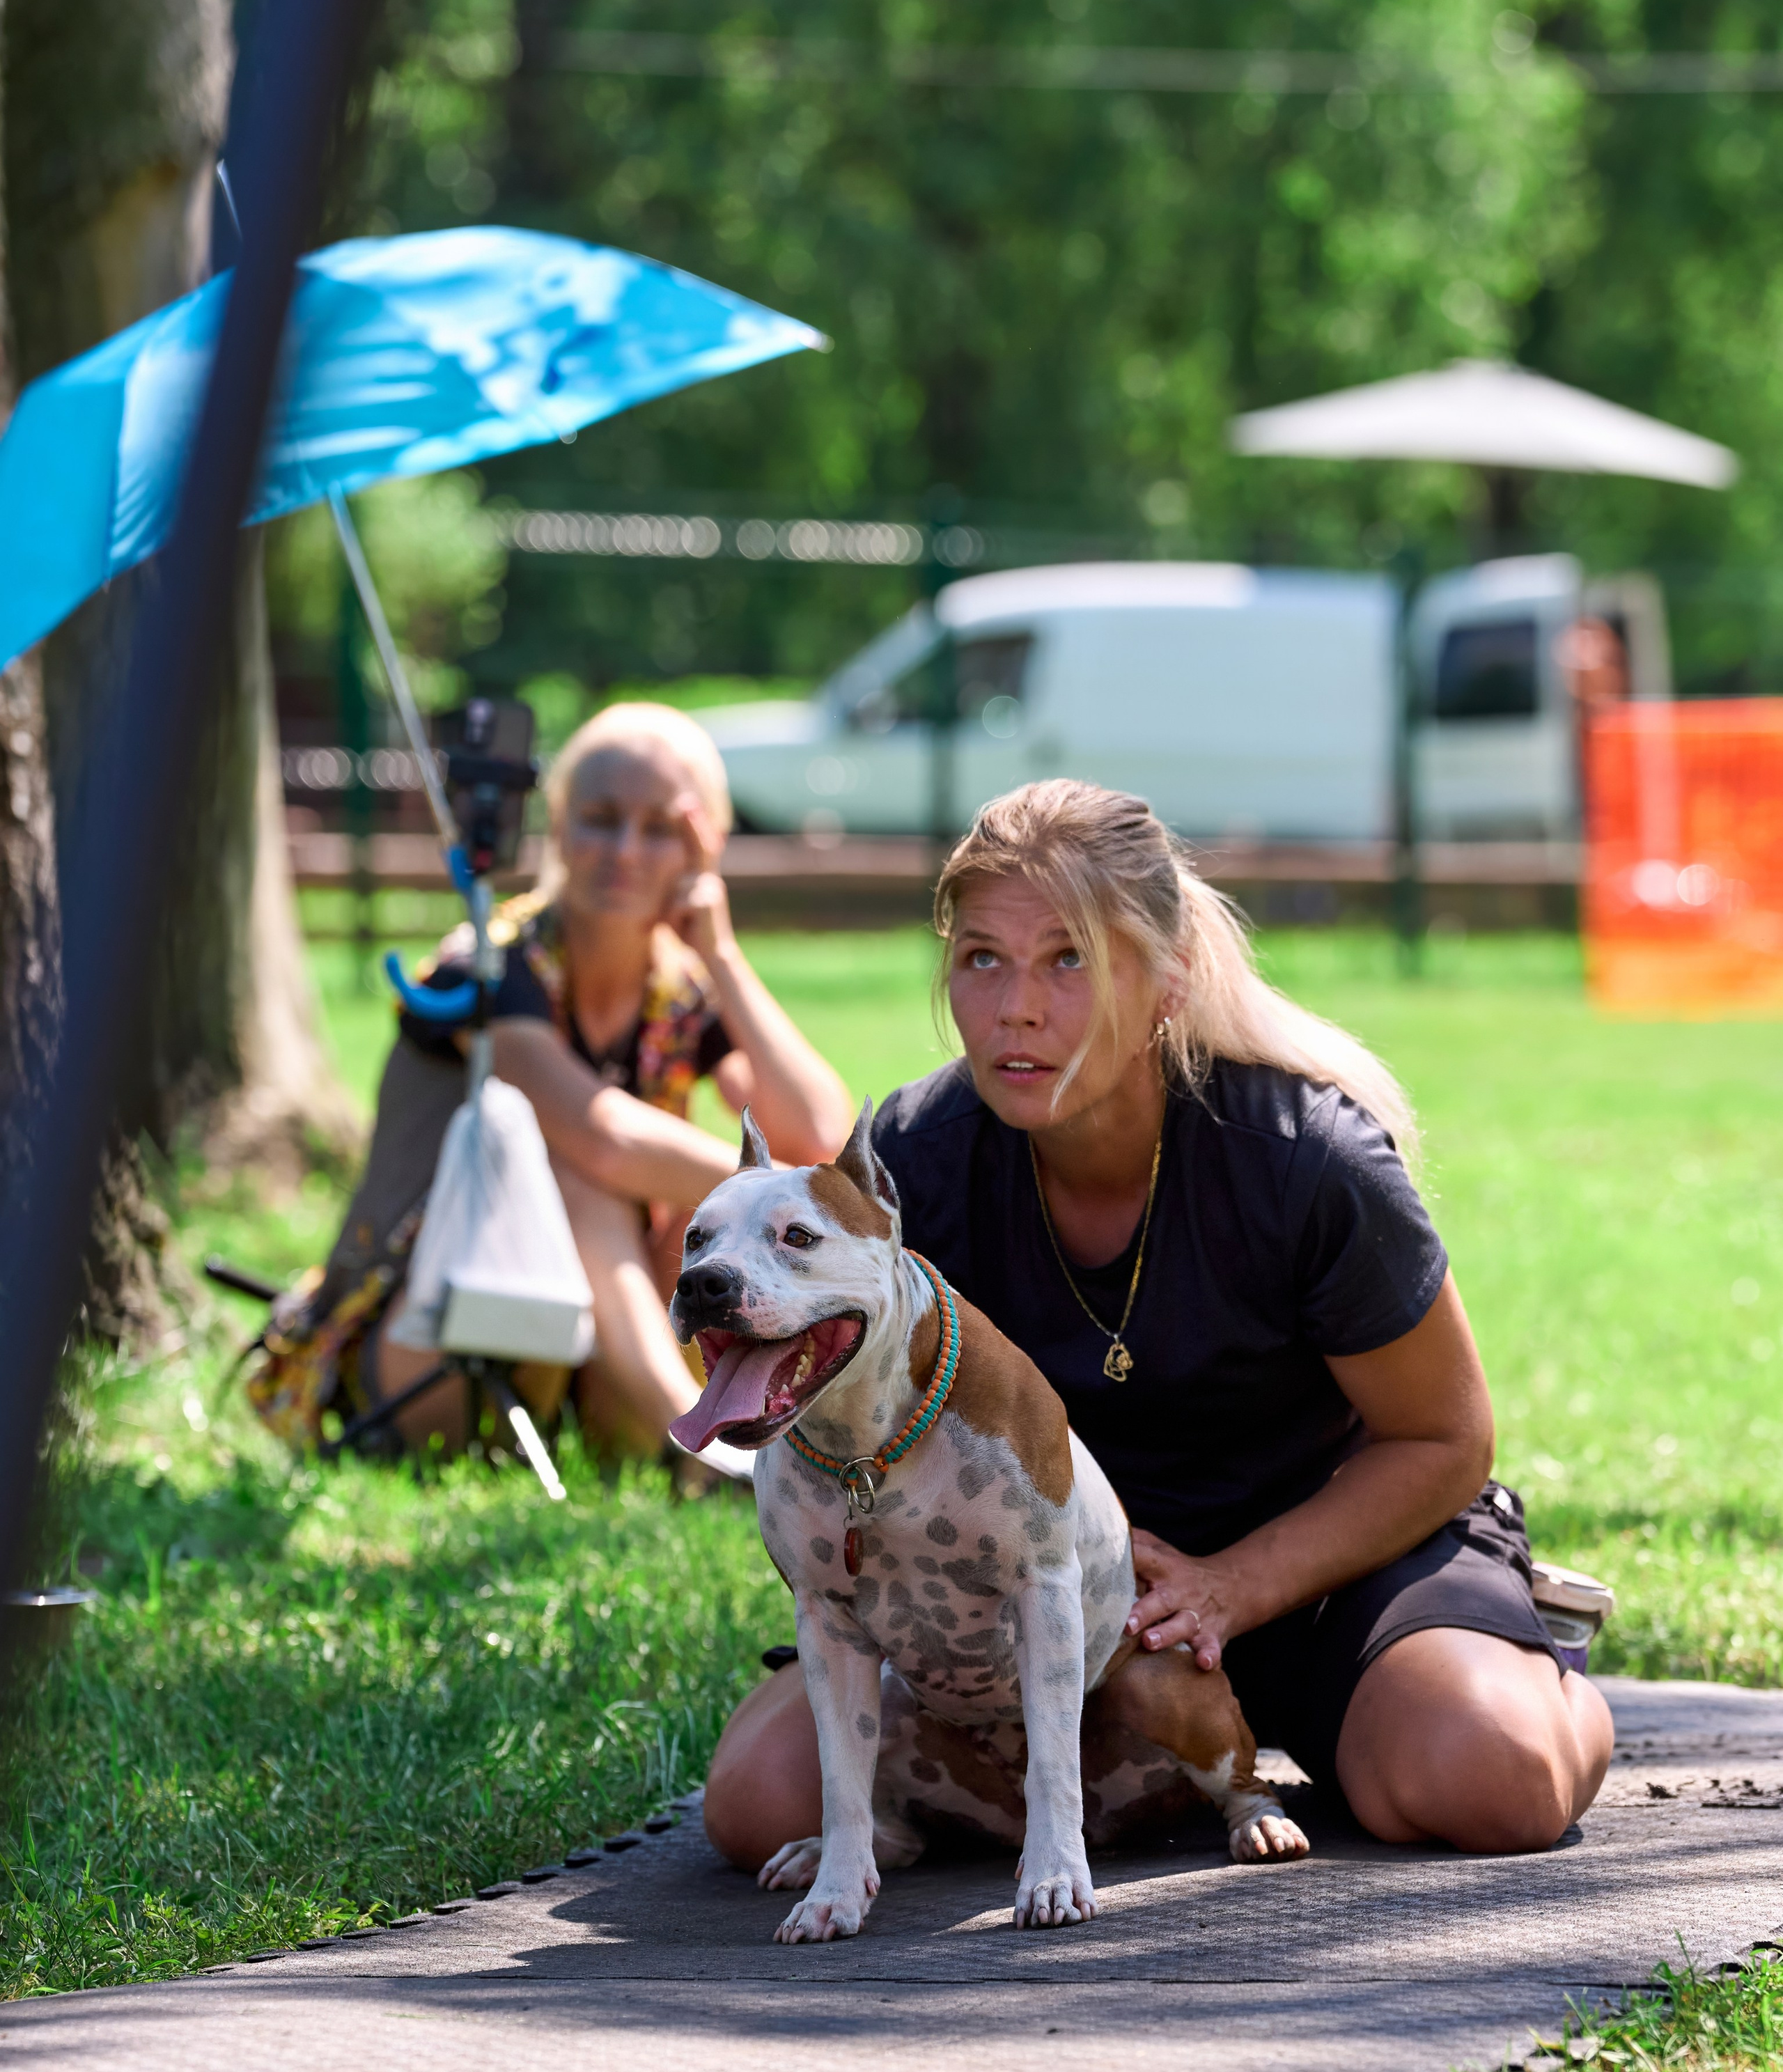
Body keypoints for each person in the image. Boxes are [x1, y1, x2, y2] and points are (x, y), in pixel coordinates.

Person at [703, 778, 1612, 1864]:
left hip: (1333, 1575)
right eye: (983, 958)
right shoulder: (916, 1166)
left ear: (1169, 978)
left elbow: (1446, 1439)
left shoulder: (1306, 1159)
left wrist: (1234, 1587)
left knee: (1491, 1772)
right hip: (1055, 1603)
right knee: (760, 1800)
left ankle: (1527, 1658)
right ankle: (1166, 1770)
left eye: (1069, 960)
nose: (1015, 1008)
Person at [249, 701, 855, 1467]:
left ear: (705, 846)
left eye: (661, 828)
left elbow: (815, 1133)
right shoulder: (487, 965)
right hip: (434, 1345)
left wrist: (722, 953)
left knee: (703, 1214)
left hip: (589, 1364)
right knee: (579, 1176)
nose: (625, 849)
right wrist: (803, 1202)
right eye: (600, 819)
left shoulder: (679, 989)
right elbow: (602, 1136)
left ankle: (712, 1436)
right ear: (559, 825)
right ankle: (706, 1449)